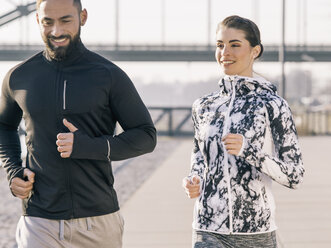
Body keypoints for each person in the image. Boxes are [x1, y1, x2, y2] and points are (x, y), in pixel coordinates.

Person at [0, 0, 156, 247]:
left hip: (98, 221)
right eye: (47, 22)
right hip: (39, 220)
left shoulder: (108, 75)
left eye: (65, 20)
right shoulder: (19, 77)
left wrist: (88, 146)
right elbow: (4, 127)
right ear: (37, 20)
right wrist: (13, 172)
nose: (56, 31)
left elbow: (146, 136)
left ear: (82, 17)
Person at [182, 15, 305, 248]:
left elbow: (294, 175)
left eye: (235, 45)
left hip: (256, 231)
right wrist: (193, 180)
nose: (224, 52)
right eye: (220, 45)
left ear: (255, 51)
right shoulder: (204, 106)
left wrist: (249, 152)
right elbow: (199, 158)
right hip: (207, 229)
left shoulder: (272, 104)